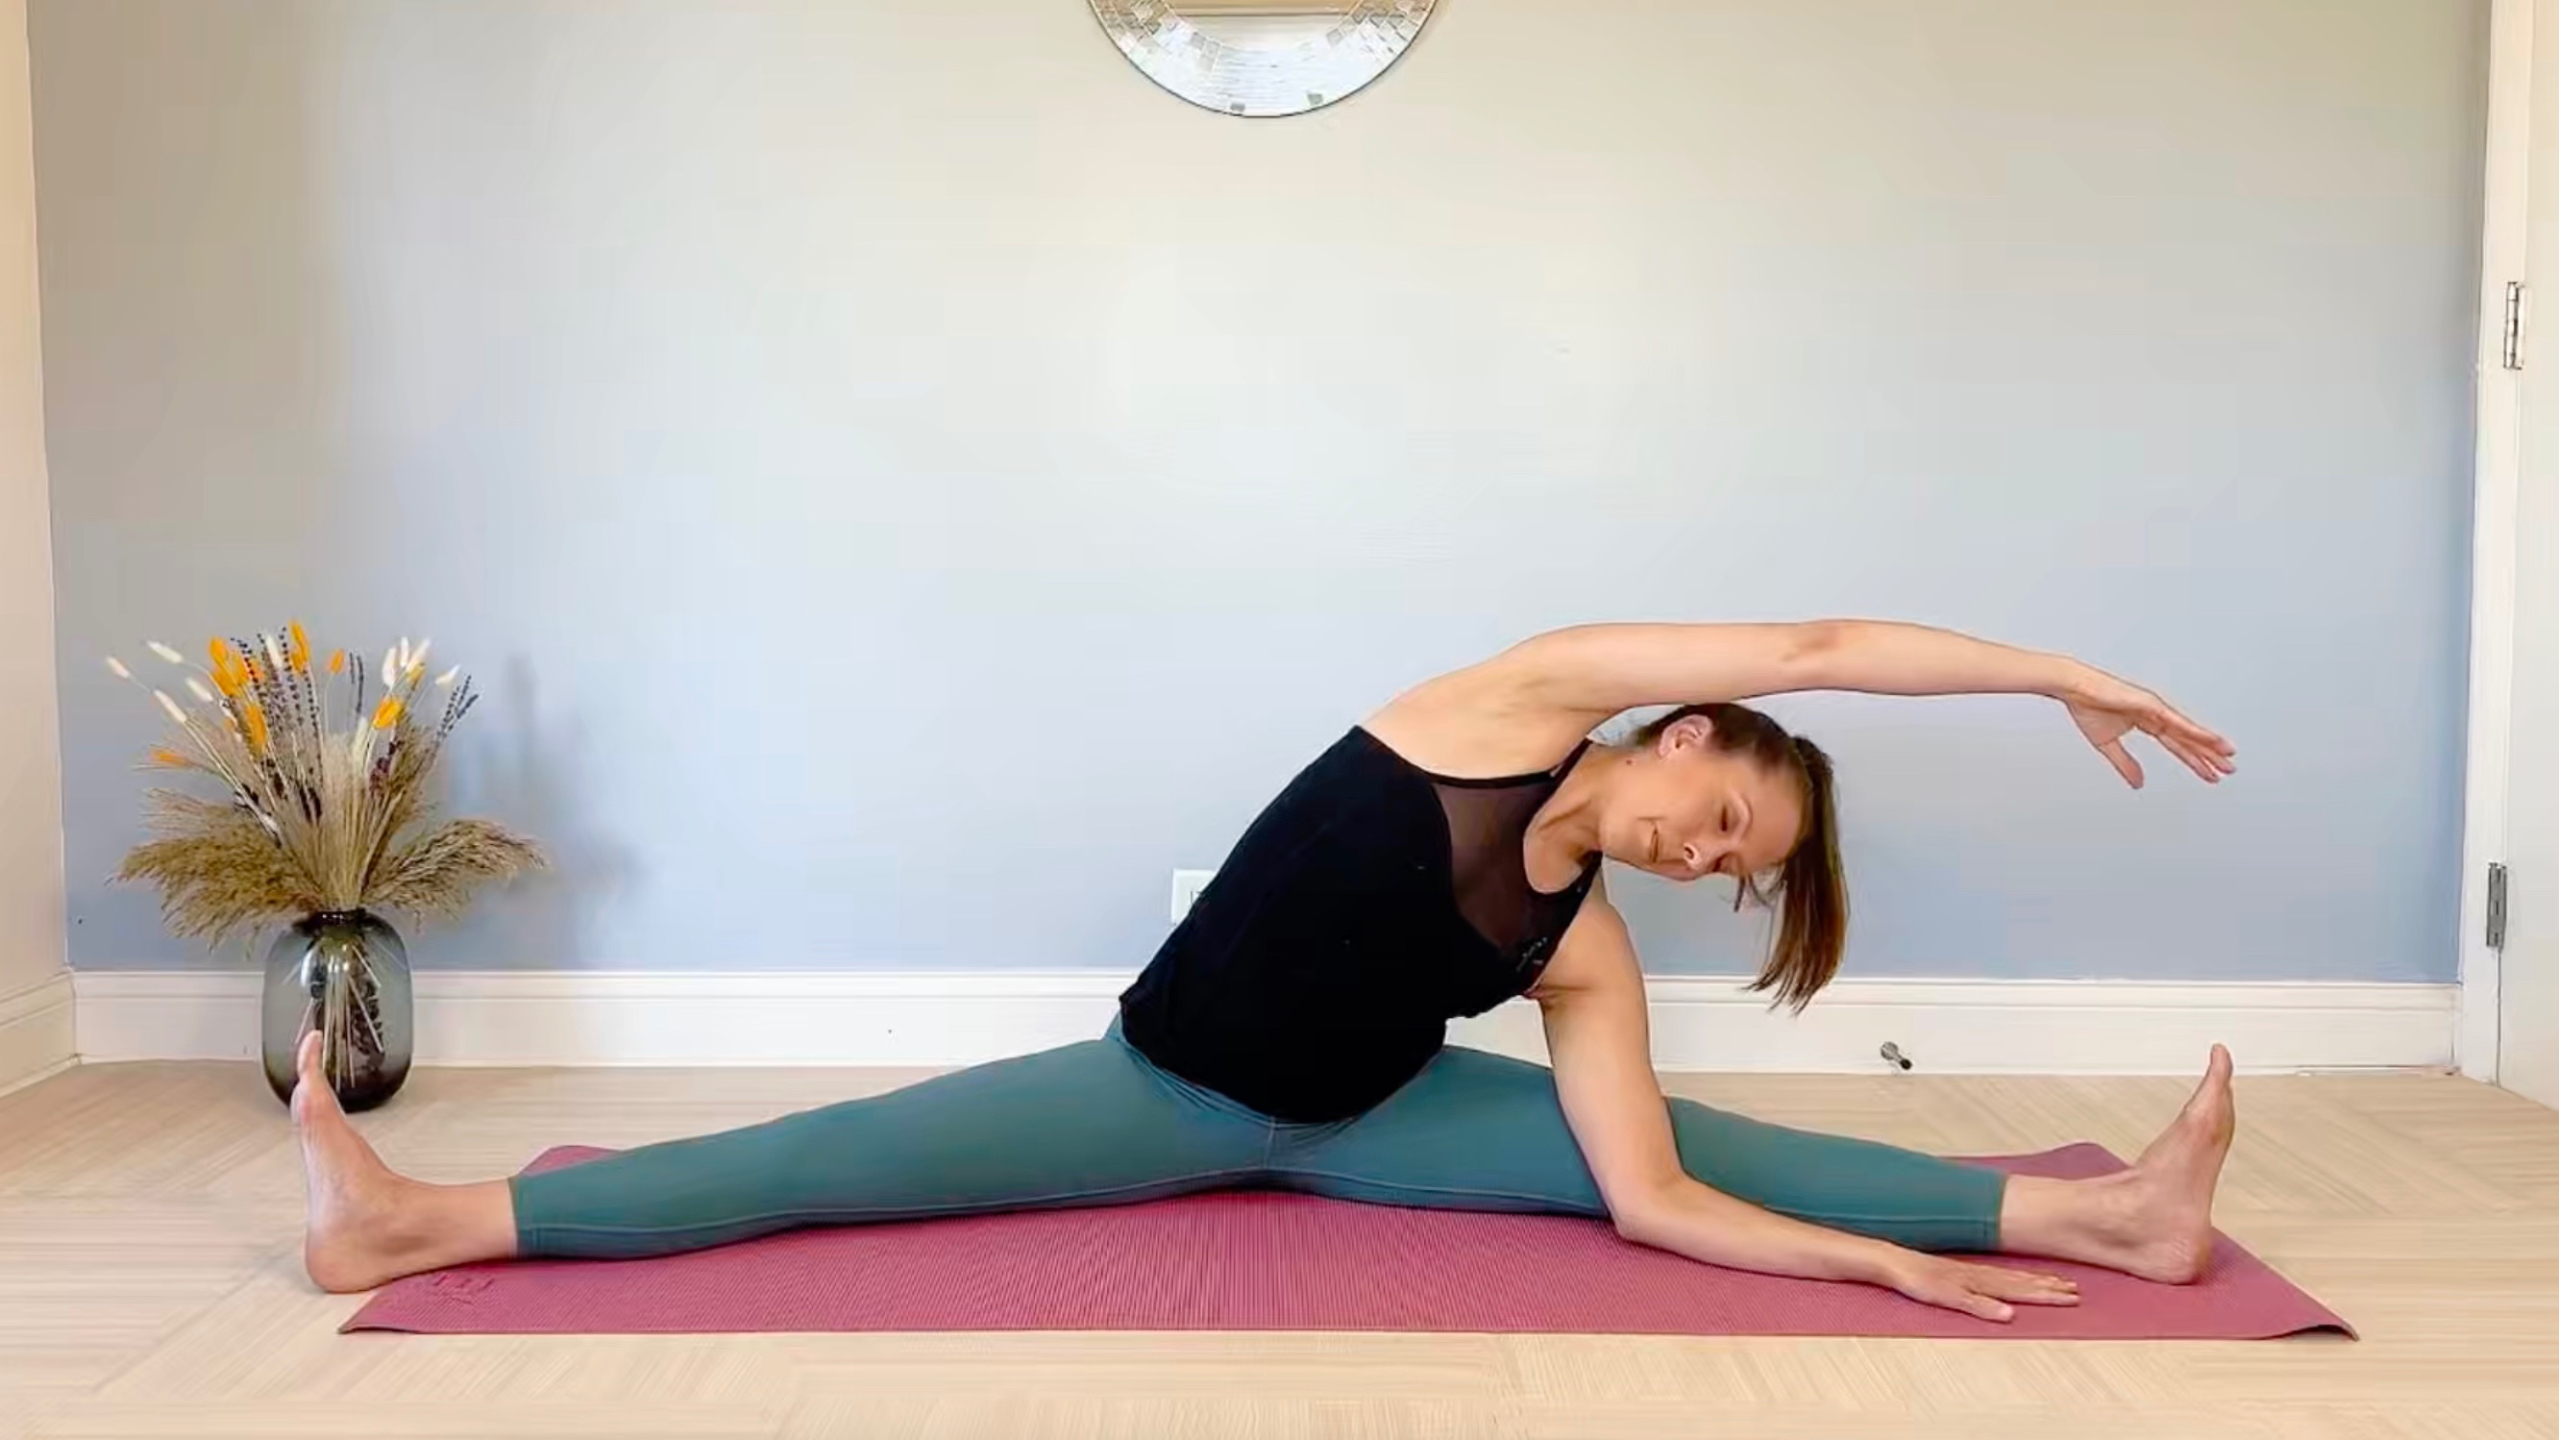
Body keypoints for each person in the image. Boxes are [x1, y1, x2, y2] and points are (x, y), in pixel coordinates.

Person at [294, 619, 2240, 1323]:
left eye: (1737, 867)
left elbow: (1653, 1201)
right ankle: (417, 1224)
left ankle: (2111, 1224)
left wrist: (1881, 1264)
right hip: (1156, 1087)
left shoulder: (1582, 954)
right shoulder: (1514, 699)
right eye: (1720, 804)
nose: (1701, 846)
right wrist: (2055, 671)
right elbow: (1819, 639)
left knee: (1717, 1143)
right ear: (1685, 734)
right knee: (824, 1159)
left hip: (1380, 1123)